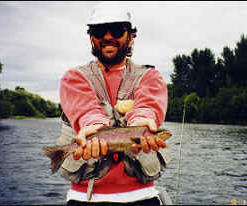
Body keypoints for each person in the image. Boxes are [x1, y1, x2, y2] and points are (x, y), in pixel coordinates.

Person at [57, 2, 170, 205]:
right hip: (84, 197)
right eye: (100, 31)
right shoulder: (74, 77)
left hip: (142, 195)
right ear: (92, 37)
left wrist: (143, 120)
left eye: (117, 30)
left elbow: (148, 106)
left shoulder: (150, 76)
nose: (108, 37)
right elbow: (86, 110)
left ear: (131, 36)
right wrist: (93, 126)